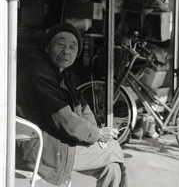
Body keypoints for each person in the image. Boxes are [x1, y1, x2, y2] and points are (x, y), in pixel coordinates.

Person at [16, 22, 130, 187]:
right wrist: (96, 134)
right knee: (113, 149)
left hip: (53, 142)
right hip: (38, 149)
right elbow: (63, 119)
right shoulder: (40, 73)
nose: (66, 51)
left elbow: (82, 106)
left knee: (112, 168)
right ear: (47, 47)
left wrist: (95, 133)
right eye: (60, 44)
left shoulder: (62, 74)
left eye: (72, 46)